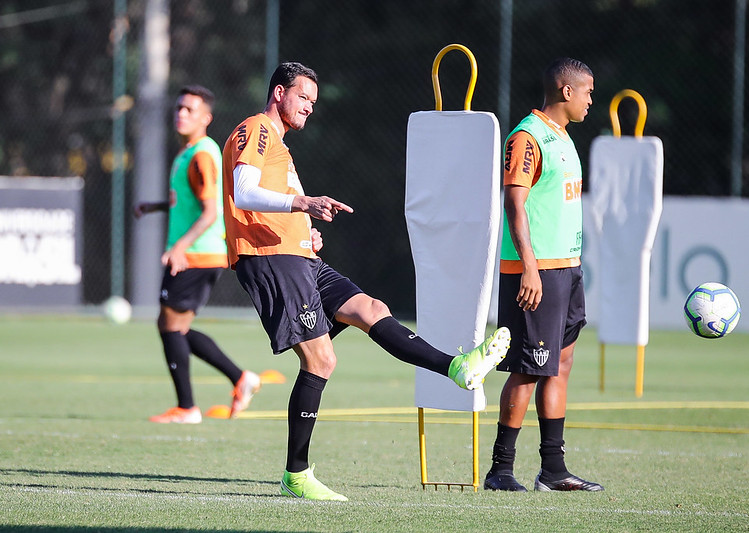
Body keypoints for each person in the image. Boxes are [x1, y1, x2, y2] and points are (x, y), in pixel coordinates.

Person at [221, 61, 511, 501]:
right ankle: (296, 475)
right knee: (321, 361)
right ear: (278, 93)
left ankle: (458, 367)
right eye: (303, 97)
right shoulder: (257, 129)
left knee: (372, 309)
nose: (309, 108)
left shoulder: (279, 143)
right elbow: (243, 191)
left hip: (298, 254)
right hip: (271, 260)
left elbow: (266, 204)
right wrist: (303, 202)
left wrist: (303, 224)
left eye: (314, 102)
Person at [483, 58, 604, 492]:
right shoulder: (527, 138)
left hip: (567, 269)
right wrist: (530, 267)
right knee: (528, 368)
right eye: (587, 91)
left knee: (560, 364)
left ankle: (553, 470)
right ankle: (500, 471)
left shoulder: (564, 138)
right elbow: (515, 204)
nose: (592, 99)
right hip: (535, 272)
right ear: (565, 91)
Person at [135, 85, 261, 424]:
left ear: (206, 117)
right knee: (175, 327)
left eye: (190, 110)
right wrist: (156, 207)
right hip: (197, 253)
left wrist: (178, 248)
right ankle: (240, 378)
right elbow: (190, 204)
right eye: (179, 108)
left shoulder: (203, 154)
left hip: (196, 254)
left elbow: (209, 212)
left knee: (170, 327)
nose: (182, 114)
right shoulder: (188, 152)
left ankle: (188, 407)